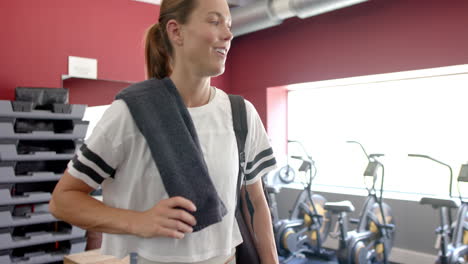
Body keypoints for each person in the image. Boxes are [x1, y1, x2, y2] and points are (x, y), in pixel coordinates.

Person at [49, 0, 279, 263]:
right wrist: (138, 221)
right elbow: (62, 200)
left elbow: (256, 204)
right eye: (215, 22)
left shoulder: (242, 113)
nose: (228, 35)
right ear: (176, 31)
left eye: (229, 25)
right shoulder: (129, 113)